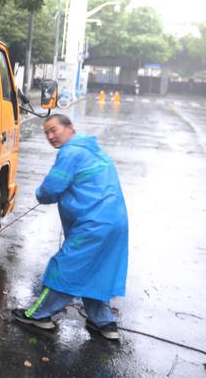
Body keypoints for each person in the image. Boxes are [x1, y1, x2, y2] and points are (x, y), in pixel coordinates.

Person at [11, 114, 129, 340]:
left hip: (93, 224)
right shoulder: (92, 149)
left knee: (65, 267)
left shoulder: (71, 152)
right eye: (46, 133)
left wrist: (40, 195)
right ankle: (103, 322)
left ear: (70, 128)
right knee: (96, 270)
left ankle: (39, 315)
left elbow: (51, 188)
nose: (50, 136)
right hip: (115, 222)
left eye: (54, 130)